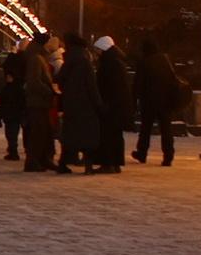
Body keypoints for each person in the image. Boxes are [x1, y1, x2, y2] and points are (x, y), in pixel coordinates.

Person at [58, 34, 110, 174]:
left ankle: (63, 163)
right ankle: (88, 166)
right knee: (88, 135)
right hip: (86, 105)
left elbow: (60, 79)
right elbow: (91, 86)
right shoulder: (85, 61)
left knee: (70, 134)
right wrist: (99, 104)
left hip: (70, 103)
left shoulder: (68, 60)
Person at [131, 37, 185, 167]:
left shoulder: (144, 62)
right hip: (165, 101)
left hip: (149, 101)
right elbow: (173, 79)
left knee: (145, 129)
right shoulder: (165, 60)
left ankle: (142, 153)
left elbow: (138, 84)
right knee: (166, 129)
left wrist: (133, 100)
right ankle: (168, 156)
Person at [18, 33, 58, 172]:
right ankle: (34, 161)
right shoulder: (36, 58)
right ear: (44, 44)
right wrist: (50, 90)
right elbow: (34, 81)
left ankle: (42, 159)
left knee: (44, 131)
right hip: (37, 102)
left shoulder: (38, 56)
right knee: (38, 132)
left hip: (39, 101)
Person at [94, 36, 133, 172]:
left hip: (110, 106)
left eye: (98, 50)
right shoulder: (117, 63)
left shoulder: (108, 64)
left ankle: (107, 163)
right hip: (117, 106)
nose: (96, 53)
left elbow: (107, 87)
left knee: (107, 135)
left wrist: (104, 103)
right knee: (115, 135)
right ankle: (115, 163)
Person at [0, 45, 27, 162]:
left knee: (11, 131)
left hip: (12, 111)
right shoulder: (19, 86)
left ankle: (13, 150)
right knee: (15, 131)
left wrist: (0, 116)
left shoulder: (9, 88)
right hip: (16, 110)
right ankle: (15, 149)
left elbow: (3, 102)